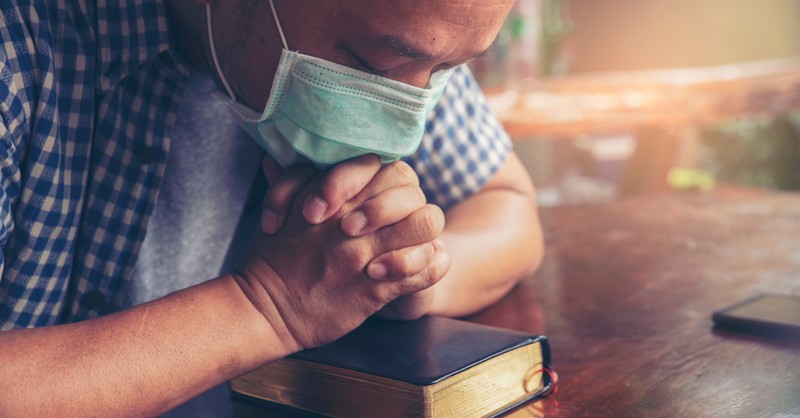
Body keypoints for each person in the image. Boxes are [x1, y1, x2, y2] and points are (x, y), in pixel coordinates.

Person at [0, 0, 543, 416]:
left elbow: (507, 205)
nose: (411, 122)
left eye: (448, 69)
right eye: (375, 62)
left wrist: (404, 272)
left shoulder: (412, 37)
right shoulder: (20, 46)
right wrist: (268, 307)